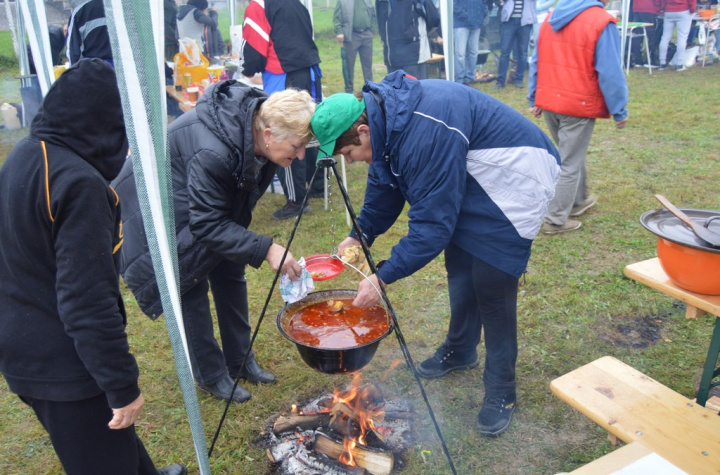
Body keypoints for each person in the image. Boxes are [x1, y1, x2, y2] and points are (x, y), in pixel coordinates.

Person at [310, 72, 561, 438]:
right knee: (460, 264)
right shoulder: (386, 123)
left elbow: (431, 227)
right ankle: (460, 350)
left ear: (362, 131)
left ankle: (501, 390)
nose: (353, 161)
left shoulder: (421, 133)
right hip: (471, 172)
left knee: (491, 283)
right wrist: (357, 235)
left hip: (514, 172)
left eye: (349, 153)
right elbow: (385, 185)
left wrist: (382, 277)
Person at [0, 59, 185, 475]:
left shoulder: (28, 153)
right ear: (106, 123)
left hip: (21, 341)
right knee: (103, 453)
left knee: (113, 443)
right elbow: (87, 301)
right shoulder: (79, 184)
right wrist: (121, 387)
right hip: (62, 364)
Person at [113, 83, 314, 404]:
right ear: (268, 134)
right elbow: (207, 225)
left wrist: (242, 241)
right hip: (158, 208)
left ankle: (239, 359)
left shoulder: (264, 141)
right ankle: (211, 375)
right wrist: (266, 248)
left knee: (231, 273)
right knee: (189, 284)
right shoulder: (214, 151)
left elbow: (233, 204)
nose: (301, 154)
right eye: (297, 145)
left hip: (202, 206)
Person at [528, 0, 629, 235]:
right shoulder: (602, 22)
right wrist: (620, 109)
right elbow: (610, 70)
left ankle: (578, 200)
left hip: (551, 100)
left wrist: (535, 95)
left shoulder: (552, 17)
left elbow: (537, 59)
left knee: (571, 154)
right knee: (569, 162)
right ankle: (555, 219)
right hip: (576, 104)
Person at [241, 0, 325, 220]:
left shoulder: (258, 5)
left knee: (283, 133)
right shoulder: (295, 2)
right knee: (310, 127)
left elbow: (253, 49)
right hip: (309, 70)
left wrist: (246, 68)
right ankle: (318, 184)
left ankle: (296, 200)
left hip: (283, 73)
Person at [377, 0, 442, 79]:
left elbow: (434, 18)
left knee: (415, 89)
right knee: (396, 90)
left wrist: (416, 34)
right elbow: (381, 23)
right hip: (391, 57)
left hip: (414, 56)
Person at [333, 0, 376, 93]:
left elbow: (373, 15)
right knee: (349, 65)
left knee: (368, 65)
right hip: (351, 36)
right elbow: (336, 19)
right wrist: (339, 31)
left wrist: (372, 29)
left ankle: (370, 90)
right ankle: (349, 90)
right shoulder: (342, 2)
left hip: (367, 34)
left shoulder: (368, 1)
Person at [494, 0, 536, 89]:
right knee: (505, 52)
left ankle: (518, 80)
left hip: (525, 22)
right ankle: (500, 81)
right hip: (508, 21)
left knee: (523, 53)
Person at [66, 0, 113, 65]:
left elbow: (73, 52)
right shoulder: (124, 8)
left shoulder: (80, 12)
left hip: (93, 68)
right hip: (123, 67)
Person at [453, 0, 487, 85]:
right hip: (461, 24)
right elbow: (454, 4)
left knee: (473, 53)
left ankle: (469, 78)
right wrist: (464, 15)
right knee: (460, 53)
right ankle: (459, 79)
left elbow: (484, 3)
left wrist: (481, 15)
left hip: (476, 23)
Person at [658, 0, 696, 70]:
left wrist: (663, 9)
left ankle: (662, 62)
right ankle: (679, 64)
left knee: (665, 37)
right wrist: (692, 10)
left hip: (669, 11)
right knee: (682, 37)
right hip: (683, 10)